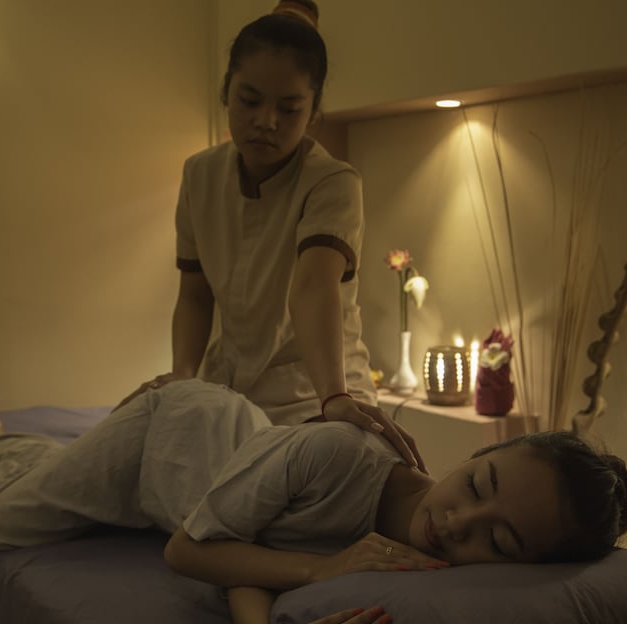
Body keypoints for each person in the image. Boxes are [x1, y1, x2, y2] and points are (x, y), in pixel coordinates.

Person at [0, 379, 627, 624]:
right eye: (477, 483)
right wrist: (320, 574)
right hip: (168, 441)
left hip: (228, 477)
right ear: (477, 454)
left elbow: (255, 554)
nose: (458, 520)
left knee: (55, 480)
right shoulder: (338, 454)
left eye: (498, 539)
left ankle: (16, 451)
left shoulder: (430, 555)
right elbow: (191, 550)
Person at [114, 0, 423, 468]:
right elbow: (195, 295)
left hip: (319, 393)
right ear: (226, 92)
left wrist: (334, 397)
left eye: (289, 108)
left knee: (332, 473)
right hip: (228, 391)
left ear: (313, 113)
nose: (266, 121)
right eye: (250, 100)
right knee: (129, 453)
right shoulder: (200, 174)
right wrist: (182, 377)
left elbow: (313, 286)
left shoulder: (332, 182)